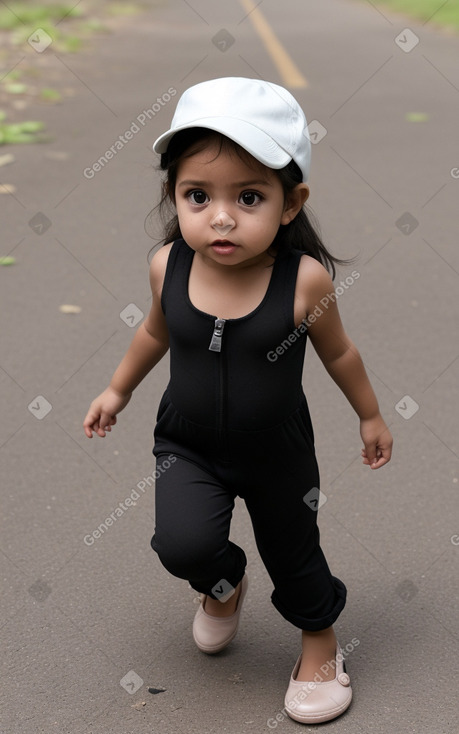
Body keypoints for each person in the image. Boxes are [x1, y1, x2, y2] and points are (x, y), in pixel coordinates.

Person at [83, 77, 393, 724]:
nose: (220, 216)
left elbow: (339, 354)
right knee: (181, 545)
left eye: (248, 196)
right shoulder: (168, 265)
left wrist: (368, 414)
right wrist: (118, 388)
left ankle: (320, 645)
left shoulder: (303, 281)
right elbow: (153, 332)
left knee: (292, 552)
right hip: (187, 443)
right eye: (198, 195)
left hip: (275, 452)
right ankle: (223, 588)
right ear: (174, 193)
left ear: (289, 203)